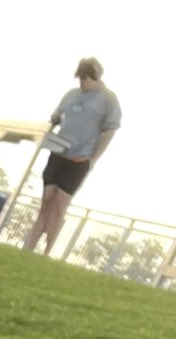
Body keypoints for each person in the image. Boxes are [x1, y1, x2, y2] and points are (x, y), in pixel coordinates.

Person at [23, 57, 121, 256]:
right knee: (46, 200)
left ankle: (46, 252)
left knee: (60, 205)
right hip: (58, 154)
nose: (82, 83)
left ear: (96, 77)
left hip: (79, 160)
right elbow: (54, 119)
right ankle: (28, 249)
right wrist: (45, 137)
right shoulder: (71, 95)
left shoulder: (108, 99)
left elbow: (110, 130)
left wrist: (94, 159)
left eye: (86, 79)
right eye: (80, 79)